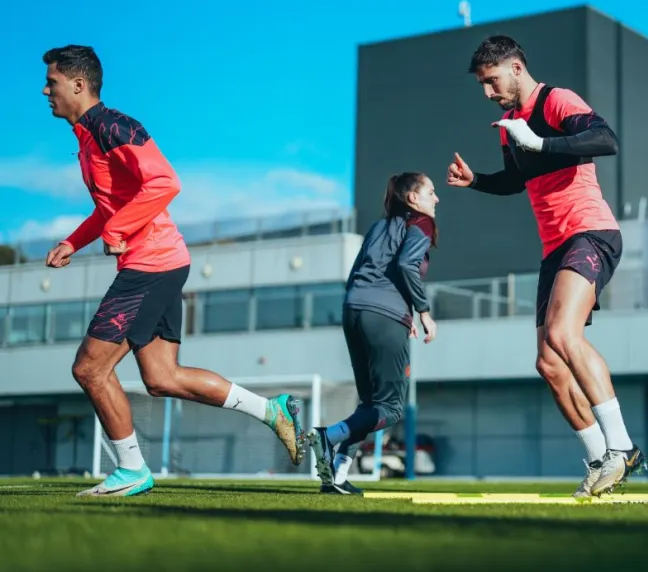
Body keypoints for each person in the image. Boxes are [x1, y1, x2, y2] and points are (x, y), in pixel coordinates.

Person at [41, 45, 306, 497]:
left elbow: (165, 182)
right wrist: (74, 241)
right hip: (161, 262)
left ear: (79, 84)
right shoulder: (87, 138)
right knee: (162, 377)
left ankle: (131, 470)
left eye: (53, 82)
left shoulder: (112, 126)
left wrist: (120, 229)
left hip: (151, 264)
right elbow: (112, 207)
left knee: (90, 369)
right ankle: (273, 410)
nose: (46, 90)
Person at [447, 35, 644, 499]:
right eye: (481, 84)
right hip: (554, 246)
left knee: (562, 334)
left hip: (591, 232)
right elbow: (516, 181)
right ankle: (601, 460)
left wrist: (537, 139)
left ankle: (623, 447)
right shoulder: (506, 124)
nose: (487, 93)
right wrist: (476, 181)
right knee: (549, 364)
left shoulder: (556, 101)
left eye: (491, 81)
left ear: (515, 67)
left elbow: (605, 140)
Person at [307, 172, 439, 495]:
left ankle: (337, 476)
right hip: (383, 316)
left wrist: (396, 310)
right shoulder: (421, 223)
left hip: (353, 311)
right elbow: (408, 265)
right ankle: (329, 436)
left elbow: (359, 274)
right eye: (431, 192)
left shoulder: (378, 227)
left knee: (369, 404)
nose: (437, 199)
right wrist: (422, 311)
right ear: (413, 199)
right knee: (391, 408)